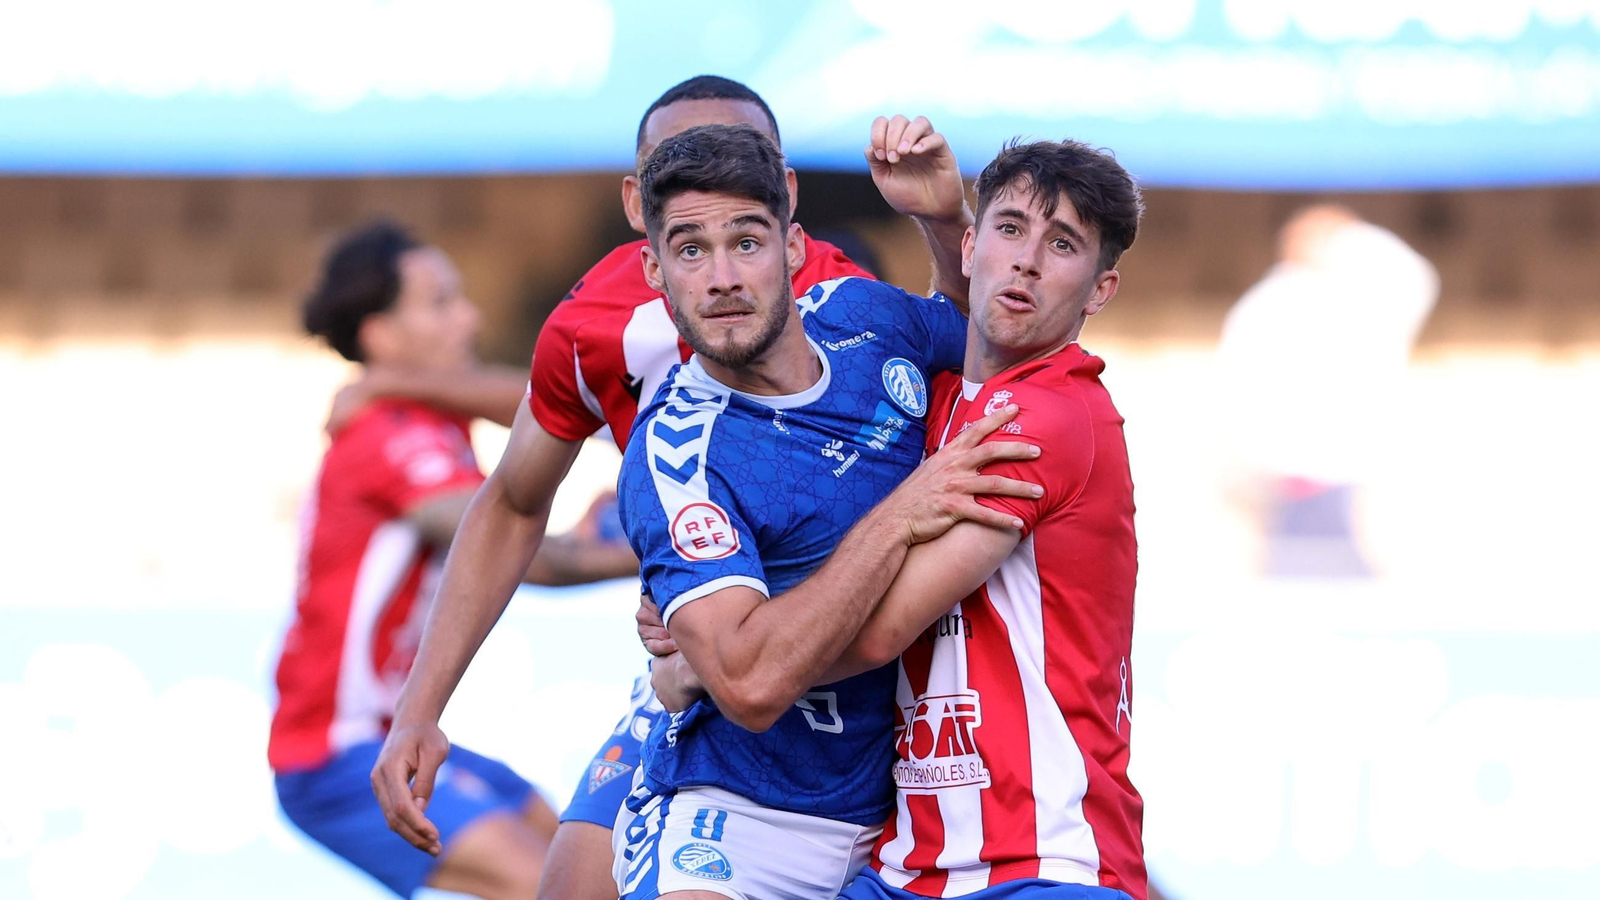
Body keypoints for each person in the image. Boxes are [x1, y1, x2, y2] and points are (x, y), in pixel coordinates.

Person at [368, 75, 976, 900]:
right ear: (639, 206)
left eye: (745, 169)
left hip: (892, 674)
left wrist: (945, 221)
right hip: (722, 662)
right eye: (681, 178)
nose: (724, 265)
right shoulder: (592, 330)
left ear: (785, 203)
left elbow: (993, 347)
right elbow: (512, 502)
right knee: (572, 883)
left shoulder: (841, 293)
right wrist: (420, 707)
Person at [644, 139, 1150, 900]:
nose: (1028, 262)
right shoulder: (936, 396)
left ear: (1100, 288)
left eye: (1063, 245)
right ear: (974, 246)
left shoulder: (1044, 414)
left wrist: (705, 666)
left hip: (1045, 861)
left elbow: (878, 632)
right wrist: (704, 615)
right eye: (1010, 230)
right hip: (907, 868)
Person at [270, 221, 635, 900]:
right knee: (567, 892)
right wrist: (658, 552)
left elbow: (551, 398)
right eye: (441, 302)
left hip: (379, 737)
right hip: (335, 755)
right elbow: (537, 562)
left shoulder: (420, 418)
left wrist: (387, 384)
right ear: (380, 335)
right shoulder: (387, 438)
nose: (470, 317)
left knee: (592, 875)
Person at [1215, 204, 1438, 577]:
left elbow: (1413, 278)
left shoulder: (1356, 297)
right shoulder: (1271, 305)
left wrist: (1349, 236)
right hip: (1297, 481)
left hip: (1343, 481)